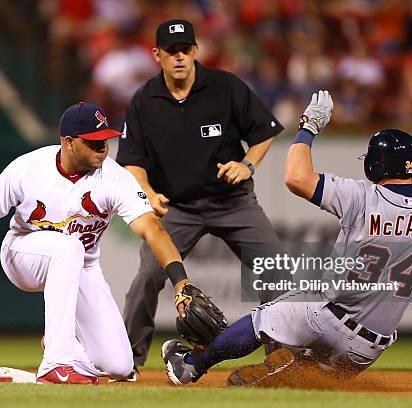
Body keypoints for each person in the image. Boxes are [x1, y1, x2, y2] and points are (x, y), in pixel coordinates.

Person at [161, 90, 412, 386]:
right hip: (367, 350)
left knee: (265, 318)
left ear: (376, 164)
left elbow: (296, 177)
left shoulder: (363, 196)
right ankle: (277, 377)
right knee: (300, 380)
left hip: (326, 318)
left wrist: (309, 126)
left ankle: (191, 364)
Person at [0, 102, 200, 384]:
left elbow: (151, 229)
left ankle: (63, 345)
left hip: (82, 266)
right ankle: (55, 363)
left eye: (105, 140)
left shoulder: (115, 177)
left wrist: (180, 281)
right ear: (68, 143)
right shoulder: (27, 168)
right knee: (68, 247)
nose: (103, 148)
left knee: (119, 364)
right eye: (93, 142)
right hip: (22, 253)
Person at [115, 19, 284, 377]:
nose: (179, 57)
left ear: (195, 51)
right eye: (170, 51)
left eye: (185, 49)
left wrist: (248, 165)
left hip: (233, 202)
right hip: (178, 209)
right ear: (157, 55)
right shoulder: (145, 101)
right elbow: (131, 160)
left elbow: (265, 130)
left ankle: (282, 357)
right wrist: (147, 192)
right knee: (147, 277)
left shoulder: (224, 87)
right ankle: (126, 361)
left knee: (276, 272)